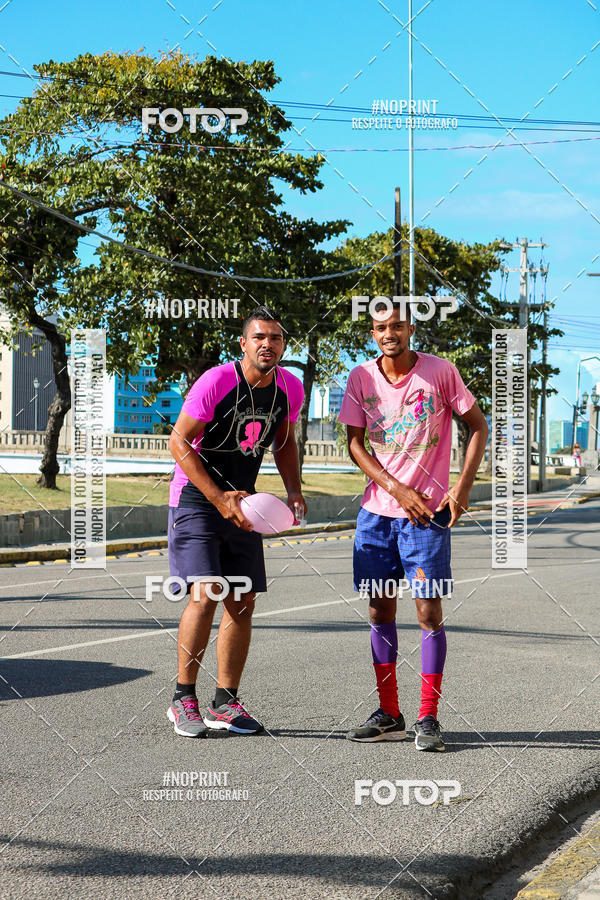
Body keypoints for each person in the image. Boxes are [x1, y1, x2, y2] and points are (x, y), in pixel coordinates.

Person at [338, 300, 488, 751]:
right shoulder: (360, 378)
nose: (390, 334)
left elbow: (477, 427)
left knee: (427, 612)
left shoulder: (441, 372)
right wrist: (394, 488)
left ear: (411, 328)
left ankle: (428, 716)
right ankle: (389, 714)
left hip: (426, 517)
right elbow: (355, 444)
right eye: (381, 327)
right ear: (372, 332)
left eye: (398, 326)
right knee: (379, 611)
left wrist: (460, 489)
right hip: (376, 516)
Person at [166, 305, 305, 737]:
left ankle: (225, 702)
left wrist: (294, 489)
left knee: (241, 602)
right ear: (243, 343)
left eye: (276, 338)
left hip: (243, 506)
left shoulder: (290, 389)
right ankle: (182, 698)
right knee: (206, 594)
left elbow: (283, 442)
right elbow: (179, 442)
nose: (268, 344)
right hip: (196, 499)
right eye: (259, 337)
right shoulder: (217, 381)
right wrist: (217, 497)